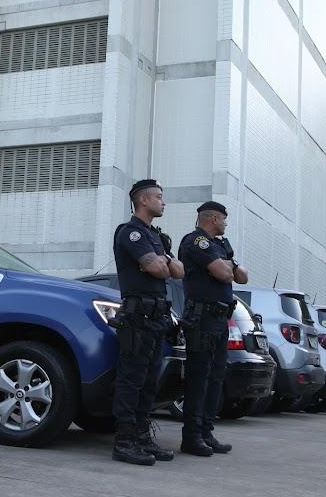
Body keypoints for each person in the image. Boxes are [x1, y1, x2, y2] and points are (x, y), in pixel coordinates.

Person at [111, 179, 184, 466]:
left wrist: (161, 260)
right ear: (143, 200)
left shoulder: (155, 237)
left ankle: (142, 438)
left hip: (157, 319)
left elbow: (175, 270)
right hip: (137, 318)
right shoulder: (130, 233)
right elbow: (157, 268)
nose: (163, 202)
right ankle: (125, 442)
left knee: (150, 382)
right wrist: (159, 263)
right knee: (132, 381)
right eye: (159, 197)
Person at [177, 201, 248, 457]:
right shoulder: (196, 242)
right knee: (199, 377)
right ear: (214, 219)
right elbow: (225, 274)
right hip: (202, 318)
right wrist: (227, 266)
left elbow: (243, 277)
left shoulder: (219, 246)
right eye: (224, 219)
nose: (226, 224)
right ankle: (192, 436)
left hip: (220, 320)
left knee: (216, 377)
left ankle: (206, 432)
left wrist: (227, 265)